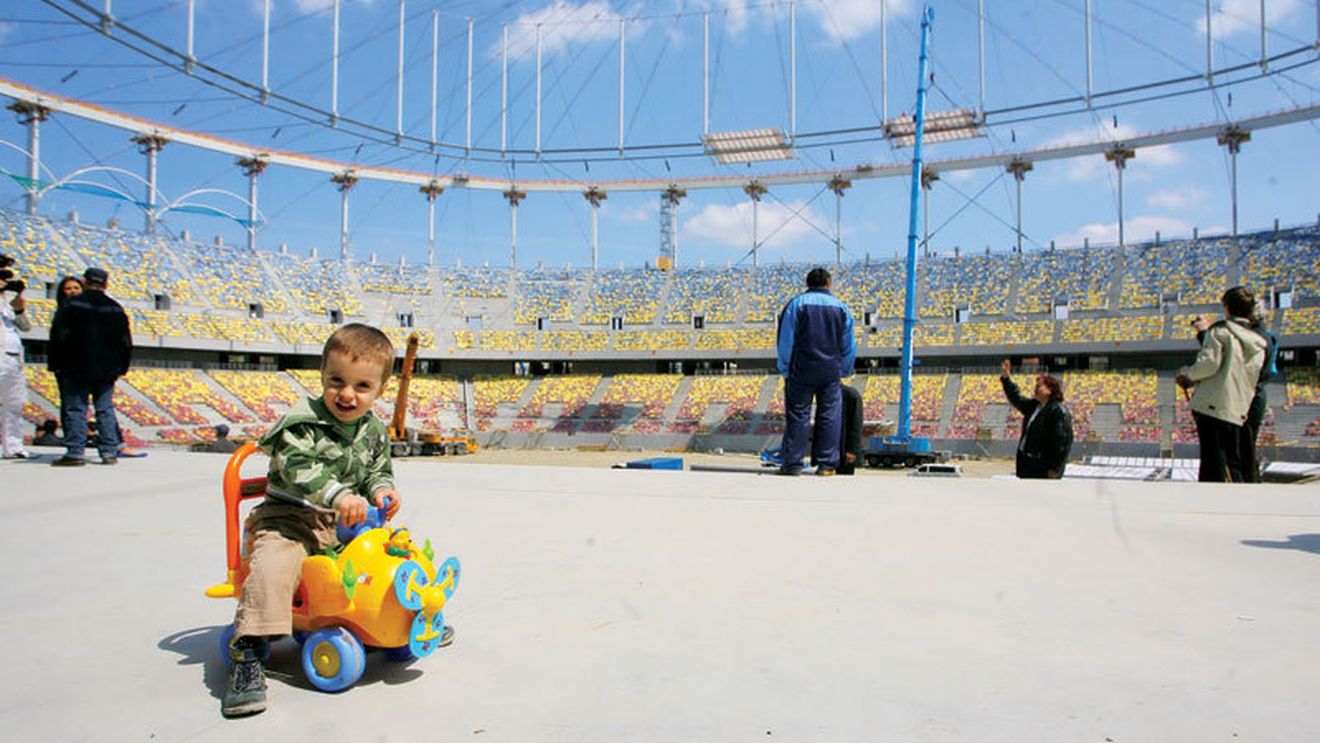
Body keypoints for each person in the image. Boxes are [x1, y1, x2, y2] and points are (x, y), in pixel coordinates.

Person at [224, 324, 450, 717]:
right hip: (289, 520)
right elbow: (297, 468)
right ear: (323, 376)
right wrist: (340, 495)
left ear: (380, 389)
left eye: (362, 386)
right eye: (336, 381)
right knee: (275, 567)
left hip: (342, 524)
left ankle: (405, 619)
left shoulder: (373, 430)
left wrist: (382, 492)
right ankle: (249, 652)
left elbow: (376, 471)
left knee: (390, 556)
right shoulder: (302, 423)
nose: (347, 394)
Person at [1177, 286, 1268, 483]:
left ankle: (1211, 504)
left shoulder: (1219, 331)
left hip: (1213, 405)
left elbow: (1208, 365)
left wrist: (1188, 374)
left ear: (1226, 308)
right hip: (1239, 406)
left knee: (1212, 462)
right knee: (1234, 461)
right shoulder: (1258, 341)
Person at [47, 267, 132, 467]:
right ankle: (109, 452)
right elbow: (125, 342)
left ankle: (76, 451)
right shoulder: (116, 308)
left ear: (85, 282)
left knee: (76, 408)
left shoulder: (71, 305)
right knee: (105, 409)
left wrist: (56, 364)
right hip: (106, 369)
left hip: (75, 366)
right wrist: (121, 367)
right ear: (106, 285)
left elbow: (58, 337)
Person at [775, 267, 855, 476]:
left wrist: (784, 368)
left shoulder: (796, 304)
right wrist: (844, 369)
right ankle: (827, 465)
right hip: (830, 370)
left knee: (798, 415)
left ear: (808, 284)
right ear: (828, 283)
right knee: (829, 415)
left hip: (801, 368)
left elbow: (786, 340)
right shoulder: (842, 308)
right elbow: (848, 345)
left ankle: (793, 464)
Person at [1000, 359, 1073, 479]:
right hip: (1027, 464)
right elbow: (1016, 398)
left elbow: (1063, 442)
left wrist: (1055, 468)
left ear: (1050, 389)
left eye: (1039, 386)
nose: (1035, 389)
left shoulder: (1058, 411)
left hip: (1043, 467)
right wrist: (1006, 378)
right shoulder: (1035, 406)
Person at [1, 253, 33, 459]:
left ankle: (13, 445)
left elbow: (26, 327)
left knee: (14, 403)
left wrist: (19, 309)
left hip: (12, 356)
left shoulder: (8, 301)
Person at [836, 382, 863, 476]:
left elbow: (856, 425)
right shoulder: (825, 393)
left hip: (843, 454)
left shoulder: (851, 395)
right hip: (829, 454)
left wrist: (852, 450)